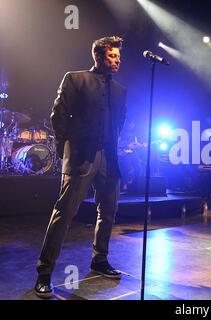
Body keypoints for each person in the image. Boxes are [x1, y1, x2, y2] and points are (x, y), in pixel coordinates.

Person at [34, 36, 127, 298]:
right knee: (64, 213)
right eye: (112, 56)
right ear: (98, 56)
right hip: (80, 156)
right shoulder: (75, 79)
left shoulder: (121, 90)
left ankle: (100, 259)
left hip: (109, 157)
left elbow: (120, 121)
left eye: (119, 57)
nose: (117, 60)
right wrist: (67, 146)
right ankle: (44, 272)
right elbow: (58, 116)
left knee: (108, 210)